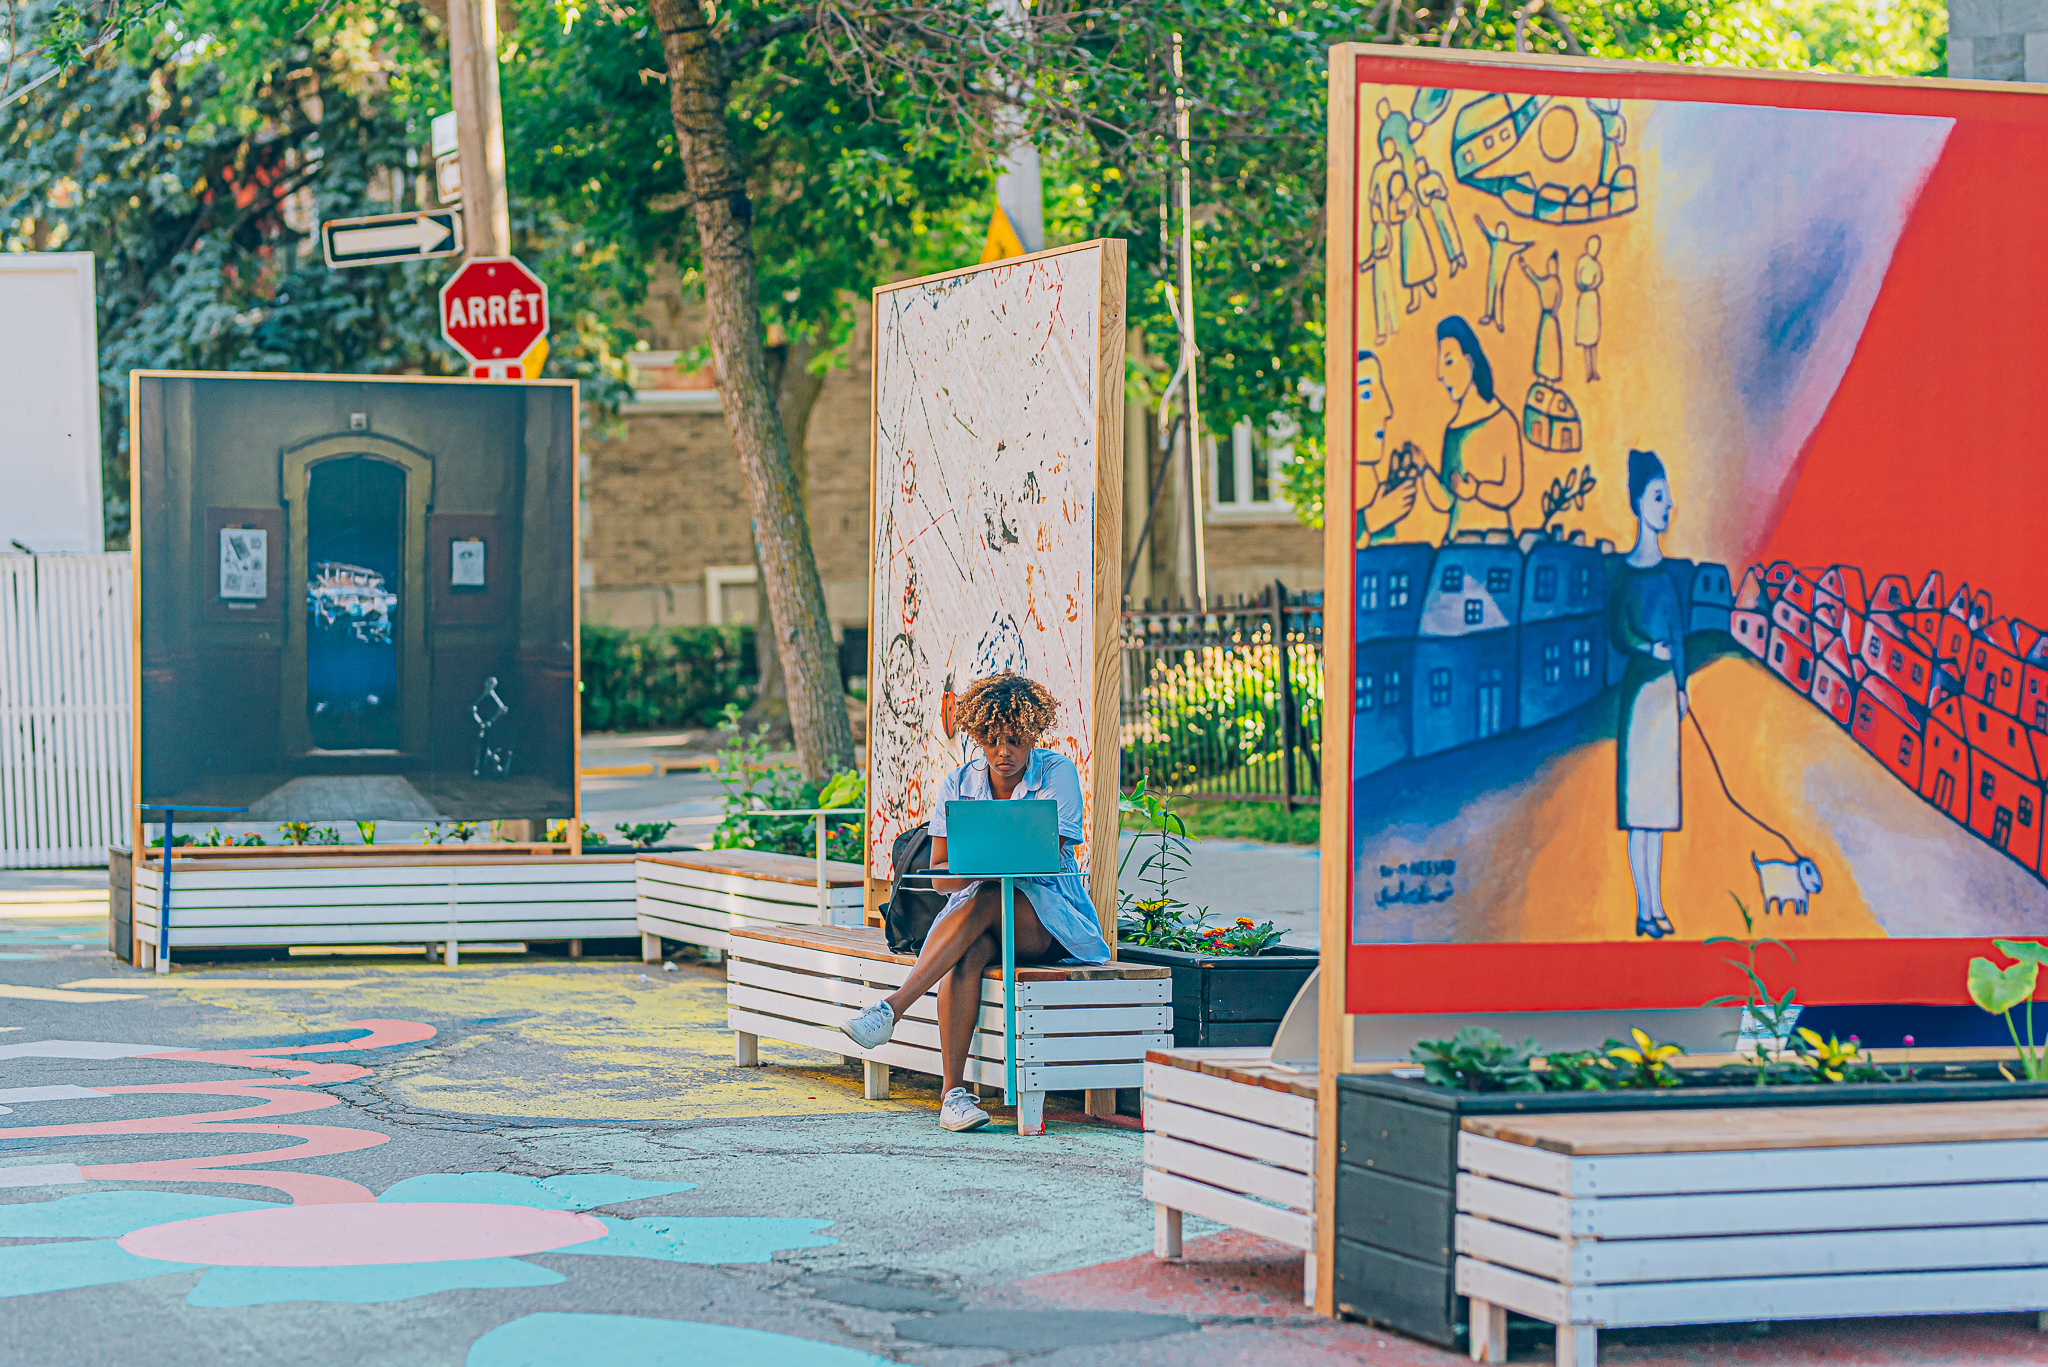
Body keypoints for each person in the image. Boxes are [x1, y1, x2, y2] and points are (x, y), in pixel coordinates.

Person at [839, 672, 1108, 1133]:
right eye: (993, 739)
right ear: (979, 736)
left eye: (1016, 740)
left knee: (987, 893)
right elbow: (943, 875)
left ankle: (892, 1009)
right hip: (976, 921)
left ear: (1033, 734)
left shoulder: (1057, 773)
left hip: (1045, 923)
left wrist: (984, 864)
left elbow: (1043, 858)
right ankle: (953, 1096)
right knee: (968, 956)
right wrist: (989, 863)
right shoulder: (958, 783)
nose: (1004, 752)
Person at [1612, 449, 1688, 940]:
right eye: (1659, 497)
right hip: (1639, 698)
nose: (1668, 505)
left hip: (1664, 698)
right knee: (1639, 808)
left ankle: (1656, 904)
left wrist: (1681, 685)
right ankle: (1643, 908)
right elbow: (1616, 631)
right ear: (1639, 503)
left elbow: (1680, 634)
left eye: (1667, 496)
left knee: (1659, 810)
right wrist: (1648, 646)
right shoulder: (1624, 573)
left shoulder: (1671, 574)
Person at [1418, 317, 1524, 538]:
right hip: (1457, 543)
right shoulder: (1453, 430)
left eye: (1448, 362)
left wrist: (1477, 491)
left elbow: (1512, 490)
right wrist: (1423, 468)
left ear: (1470, 361)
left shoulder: (1503, 421)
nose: (1440, 374)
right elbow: (1446, 501)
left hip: (1495, 542)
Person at [1574, 236, 1604, 382]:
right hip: (1585, 299)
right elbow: (1577, 279)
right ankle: (1588, 372)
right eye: (1592, 246)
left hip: (1592, 299)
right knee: (1586, 339)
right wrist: (1584, 286)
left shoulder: (1597, 265)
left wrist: (1592, 285)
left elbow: (1599, 279)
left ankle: (1594, 371)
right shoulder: (1582, 261)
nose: (1594, 249)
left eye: (1596, 247)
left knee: (1593, 339)